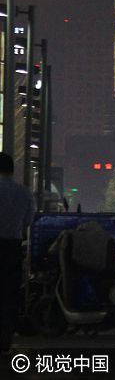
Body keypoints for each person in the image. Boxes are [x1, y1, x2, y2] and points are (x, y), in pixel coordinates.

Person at [0, 152, 35, 354]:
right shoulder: (24, 193)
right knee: (9, 294)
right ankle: (5, 338)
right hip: (12, 247)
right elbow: (28, 221)